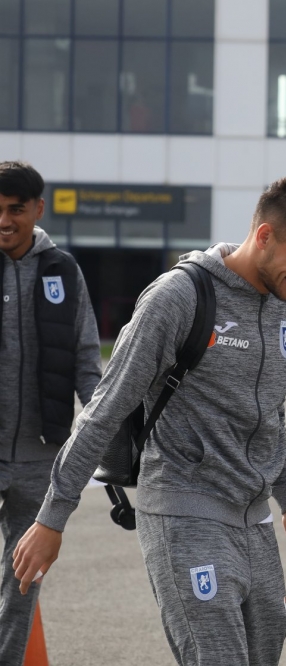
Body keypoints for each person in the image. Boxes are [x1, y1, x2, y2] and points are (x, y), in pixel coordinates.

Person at [14, 175, 286, 666]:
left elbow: (268, 412)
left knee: (266, 648)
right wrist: (53, 516)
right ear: (264, 236)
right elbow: (104, 409)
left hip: (253, 518)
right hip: (183, 510)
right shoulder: (179, 297)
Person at [0, 161, 103, 664]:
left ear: (37, 209)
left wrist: (114, 437)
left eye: (15, 209)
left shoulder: (62, 270)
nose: (4, 220)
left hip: (40, 459)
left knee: (21, 585)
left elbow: (86, 362)